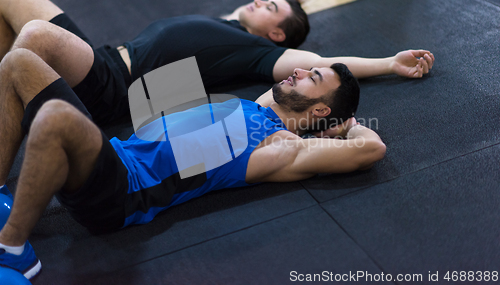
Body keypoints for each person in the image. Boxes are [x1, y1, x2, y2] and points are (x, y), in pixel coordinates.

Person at [0, 48, 385, 280]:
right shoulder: (259, 107)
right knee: (19, 61)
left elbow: (371, 149)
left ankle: (15, 248)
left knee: (53, 116)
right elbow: (300, 76)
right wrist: (384, 68)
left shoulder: (280, 146)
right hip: (111, 155)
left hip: (122, 190)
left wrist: (345, 129)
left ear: (319, 108)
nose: (300, 71)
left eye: (311, 77)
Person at [0, 0, 434, 127]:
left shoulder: (255, 51)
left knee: (34, 33)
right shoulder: (233, 26)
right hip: (102, 57)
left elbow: (321, 64)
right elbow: (268, 13)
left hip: (112, 87)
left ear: (277, 34)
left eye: (272, 9)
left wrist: (387, 63)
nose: (261, 2)